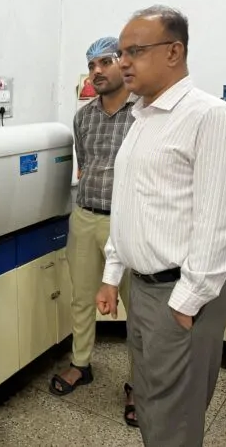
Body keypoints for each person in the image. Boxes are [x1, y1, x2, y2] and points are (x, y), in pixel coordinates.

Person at [96, 6, 226, 446]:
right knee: (150, 401)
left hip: (182, 292)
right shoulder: (142, 120)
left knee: (175, 420)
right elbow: (128, 207)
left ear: (174, 51)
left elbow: (220, 224)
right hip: (145, 289)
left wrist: (187, 303)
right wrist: (112, 276)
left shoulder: (209, 117)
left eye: (135, 51)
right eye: (120, 52)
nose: (122, 61)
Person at [49, 36, 139, 427]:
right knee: (81, 299)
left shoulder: (145, 114)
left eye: (105, 62)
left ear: (123, 63)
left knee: (139, 308)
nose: (97, 71)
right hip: (85, 218)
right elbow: (84, 167)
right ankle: (81, 364)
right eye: (91, 65)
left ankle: (140, 383)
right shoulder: (83, 117)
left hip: (131, 223)